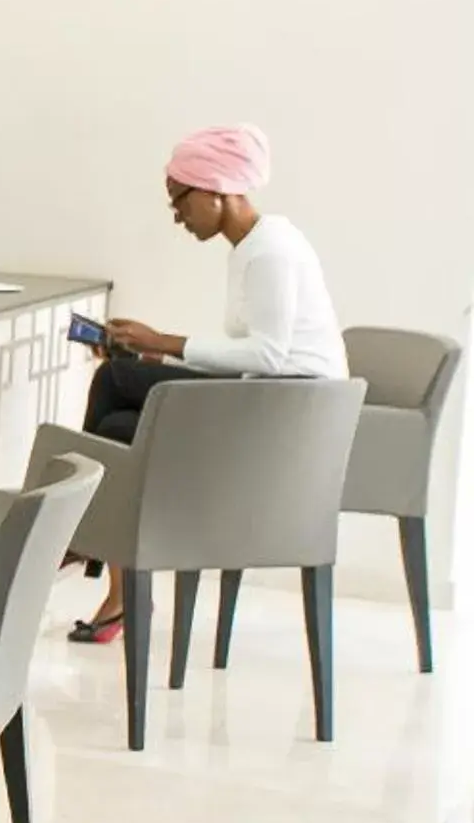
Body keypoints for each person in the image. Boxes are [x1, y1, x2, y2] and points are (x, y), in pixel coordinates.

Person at [68, 123, 346, 641]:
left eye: (180, 200)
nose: (176, 215)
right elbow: (260, 358)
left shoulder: (270, 251)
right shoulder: (253, 247)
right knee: (119, 420)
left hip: (282, 421)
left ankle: (84, 528)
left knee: (114, 380)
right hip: (262, 401)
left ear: (216, 189)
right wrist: (160, 351)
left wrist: (169, 343)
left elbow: (269, 354)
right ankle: (106, 568)